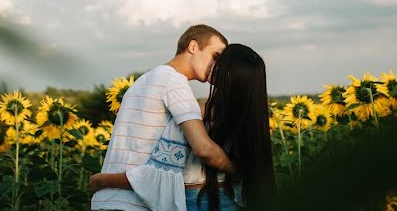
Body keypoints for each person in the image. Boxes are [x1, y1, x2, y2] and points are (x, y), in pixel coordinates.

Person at [91, 43, 275, 211]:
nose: (212, 63)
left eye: (218, 59)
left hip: (197, 201)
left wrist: (104, 180)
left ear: (228, 71)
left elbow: (158, 175)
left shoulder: (192, 115)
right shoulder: (252, 121)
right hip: (231, 202)